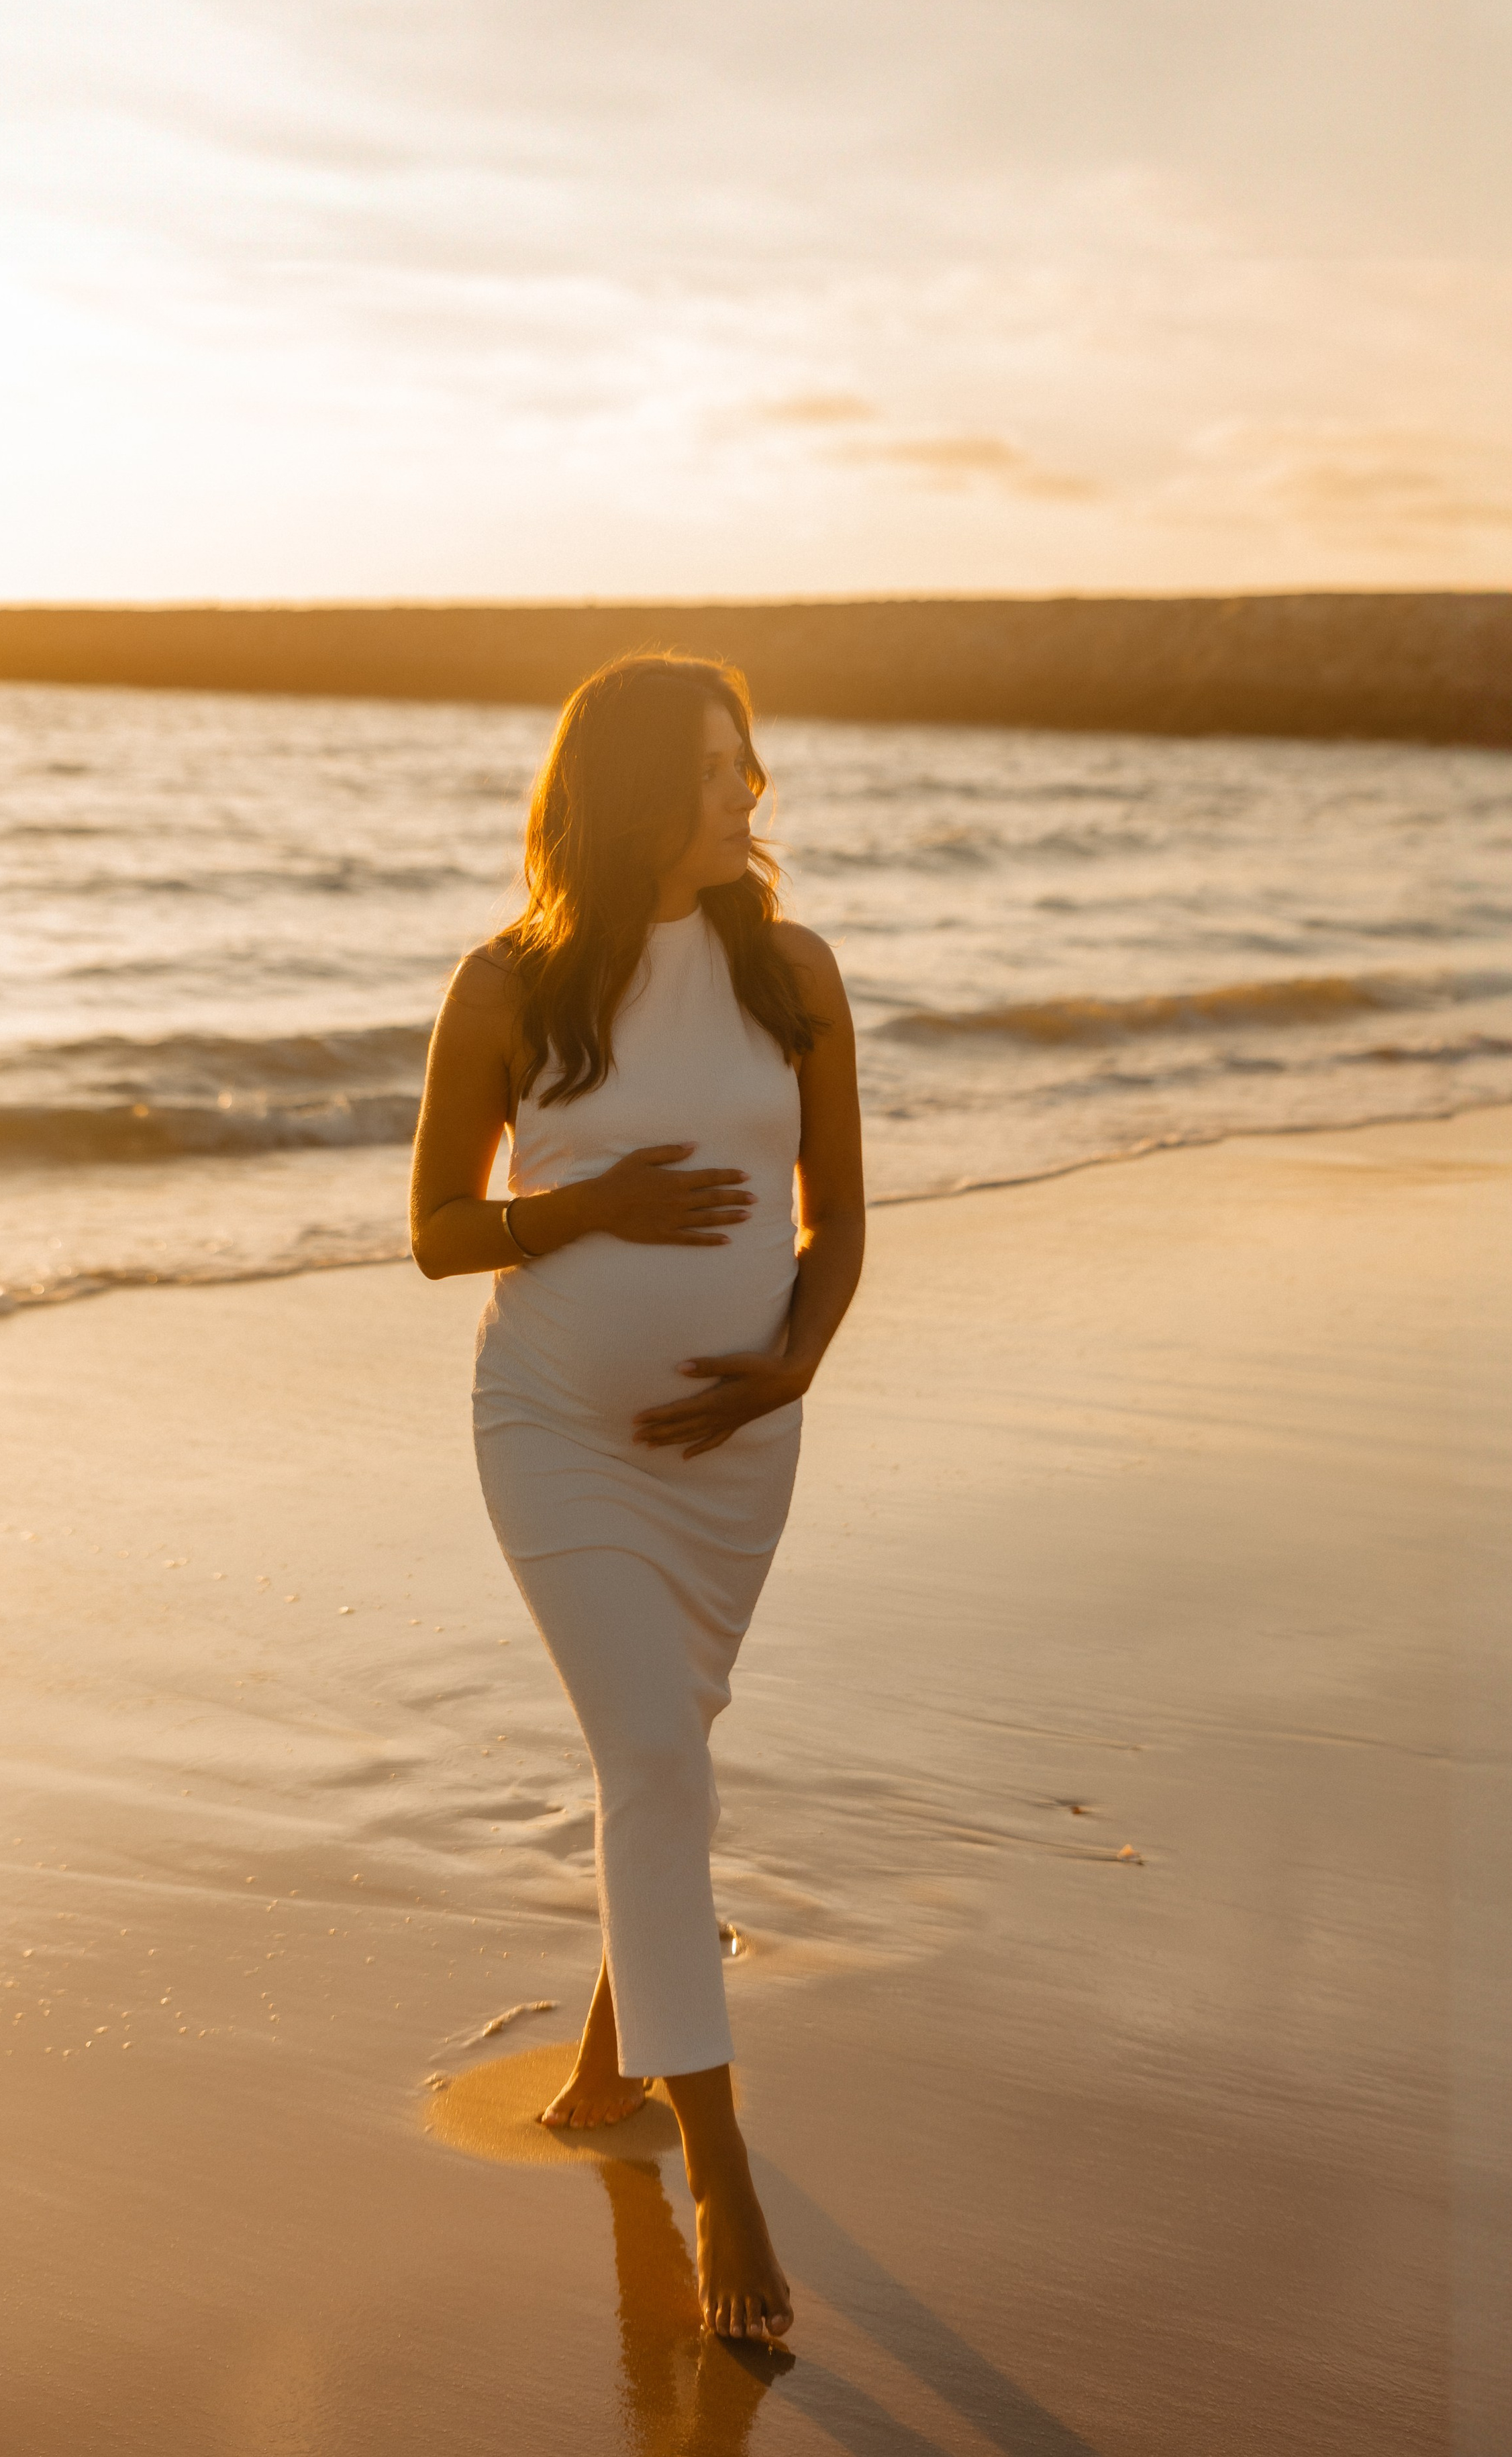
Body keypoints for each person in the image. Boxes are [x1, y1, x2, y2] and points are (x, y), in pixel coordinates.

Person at [409, 650, 865, 2345]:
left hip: (739, 1439)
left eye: (751, 763)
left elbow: (836, 1224)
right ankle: (721, 2161)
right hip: (553, 1426)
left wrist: (797, 1361)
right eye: (714, 767)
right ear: (625, 792)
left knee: (663, 1735)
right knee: (656, 1756)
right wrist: (583, 1205)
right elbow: (439, 1228)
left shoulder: (794, 971)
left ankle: (609, 2059)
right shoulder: (509, 987)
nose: (750, 792)